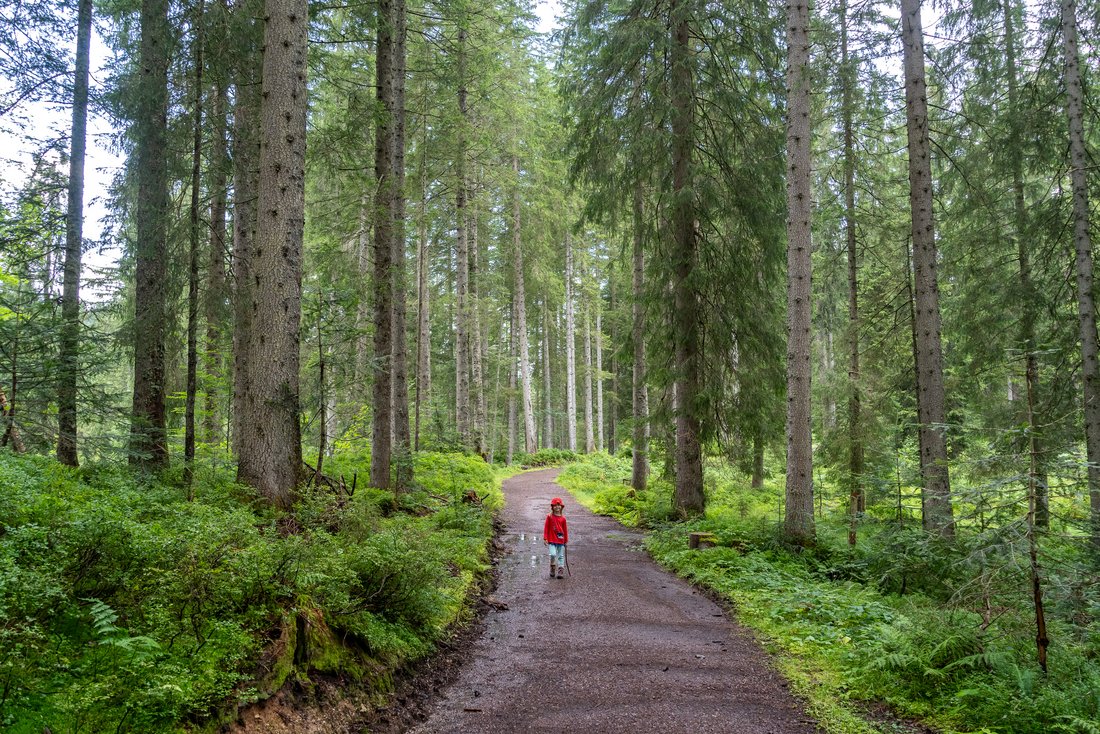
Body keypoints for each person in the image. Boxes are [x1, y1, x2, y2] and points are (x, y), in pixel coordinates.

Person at [543, 497, 568, 579]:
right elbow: (546, 528)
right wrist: (545, 538)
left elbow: (565, 530)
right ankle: (553, 567)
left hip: (561, 540)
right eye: (555, 505)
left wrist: (566, 540)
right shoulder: (549, 517)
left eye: (559, 505)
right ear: (552, 507)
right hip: (551, 540)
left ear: (561, 507)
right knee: (553, 554)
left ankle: (560, 570)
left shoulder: (563, 519)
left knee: (561, 555)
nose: (557, 507)